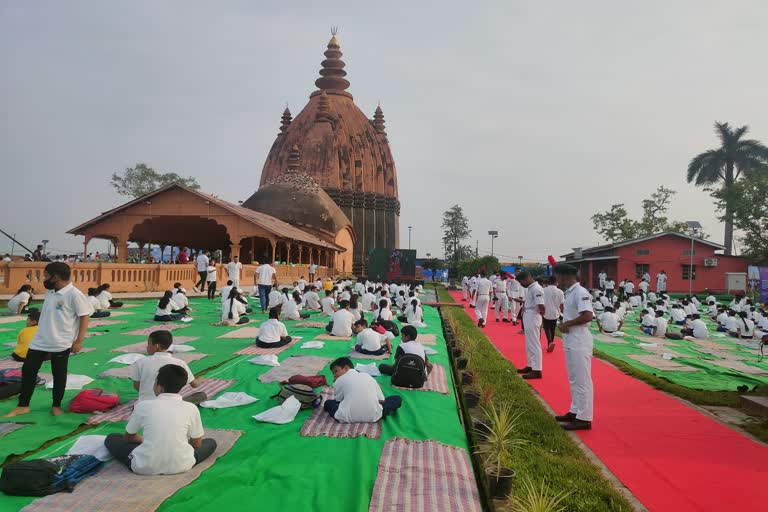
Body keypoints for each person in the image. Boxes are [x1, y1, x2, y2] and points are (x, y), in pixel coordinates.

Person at [4, 262, 92, 418]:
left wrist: (79, 341)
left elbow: (84, 317)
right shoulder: (51, 291)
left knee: (59, 374)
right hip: (39, 340)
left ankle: (56, 405)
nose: (43, 279)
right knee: (28, 371)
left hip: (60, 342)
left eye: (45, 275)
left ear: (55, 276)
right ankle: (23, 405)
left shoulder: (74, 294)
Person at [105, 364, 217, 475]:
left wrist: (144, 440)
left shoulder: (143, 406)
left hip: (145, 466)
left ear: (159, 386)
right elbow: (197, 444)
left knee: (112, 438)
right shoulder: (191, 408)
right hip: (181, 465)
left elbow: (128, 438)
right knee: (210, 443)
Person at [553, 264, 594, 430]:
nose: (557, 279)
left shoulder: (580, 292)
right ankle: (575, 411)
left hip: (579, 339)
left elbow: (588, 315)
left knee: (582, 379)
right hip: (571, 338)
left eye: (559, 275)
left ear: (565, 276)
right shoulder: (569, 292)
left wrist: (568, 323)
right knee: (574, 378)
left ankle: (584, 418)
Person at [324, 357, 401, 423]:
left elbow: (339, 400)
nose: (334, 375)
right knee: (396, 399)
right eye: (333, 374)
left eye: (336, 371)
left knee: (328, 403)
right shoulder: (367, 376)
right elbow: (382, 399)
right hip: (374, 415)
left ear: (346, 368)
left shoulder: (339, 380)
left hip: (346, 417)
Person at [132, 330, 203, 401]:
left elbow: (137, 386)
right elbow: (195, 384)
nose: (147, 347)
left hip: (144, 404)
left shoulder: (140, 362)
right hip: (172, 404)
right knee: (200, 396)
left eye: (148, 344)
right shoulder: (180, 363)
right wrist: (201, 380)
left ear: (156, 346)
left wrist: (147, 393)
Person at [516, 271, 545, 379]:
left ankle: (537, 370)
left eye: (521, 282)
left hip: (533, 316)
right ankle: (530, 365)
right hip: (528, 315)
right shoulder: (530, 288)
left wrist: (541, 314)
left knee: (534, 344)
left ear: (527, 278)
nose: (521, 284)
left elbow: (541, 305)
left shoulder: (536, 288)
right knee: (529, 344)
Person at [542, 276, 564, 352]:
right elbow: (562, 304)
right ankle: (551, 342)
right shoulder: (560, 291)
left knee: (546, 327)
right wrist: (561, 313)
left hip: (546, 311)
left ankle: (549, 341)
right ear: (556, 282)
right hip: (556, 312)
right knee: (552, 328)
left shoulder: (543, 290)